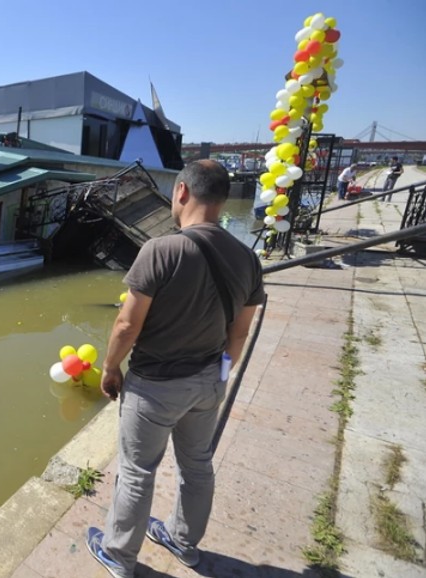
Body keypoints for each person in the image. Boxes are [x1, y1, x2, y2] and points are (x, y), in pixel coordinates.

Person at [85, 160, 265, 578]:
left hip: (154, 387)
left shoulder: (161, 250)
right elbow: (239, 334)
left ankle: (119, 555)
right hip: (209, 381)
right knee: (197, 465)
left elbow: (127, 324)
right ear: (221, 200)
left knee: (136, 471)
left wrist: (110, 368)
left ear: (182, 192)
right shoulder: (247, 258)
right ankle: (183, 543)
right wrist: (219, 376)